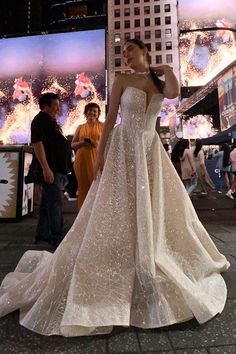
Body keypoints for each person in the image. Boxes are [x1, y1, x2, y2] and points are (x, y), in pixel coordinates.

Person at [0, 39, 229, 337]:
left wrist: (163, 68)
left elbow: (173, 92)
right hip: (124, 146)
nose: (126, 56)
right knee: (120, 202)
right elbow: (109, 123)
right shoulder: (122, 79)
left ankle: (148, 251)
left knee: (152, 203)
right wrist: (101, 156)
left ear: (143, 50)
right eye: (123, 53)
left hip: (149, 149)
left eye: (130, 51)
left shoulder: (160, 81)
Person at [30, 92, 72, 247]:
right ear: (45, 106)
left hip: (56, 169)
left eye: (58, 106)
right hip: (51, 170)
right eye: (54, 106)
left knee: (48, 205)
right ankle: (56, 237)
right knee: (55, 204)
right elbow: (37, 144)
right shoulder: (40, 121)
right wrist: (46, 169)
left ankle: (43, 236)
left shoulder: (50, 121)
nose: (57, 109)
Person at [71, 102, 103, 209]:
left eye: (95, 111)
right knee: (83, 187)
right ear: (86, 112)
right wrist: (82, 143)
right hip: (81, 159)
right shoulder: (80, 127)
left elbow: (107, 143)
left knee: (96, 186)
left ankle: (96, 213)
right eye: (90, 110)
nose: (92, 113)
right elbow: (73, 144)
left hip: (96, 158)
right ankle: (83, 213)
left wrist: (96, 143)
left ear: (98, 114)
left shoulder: (102, 126)